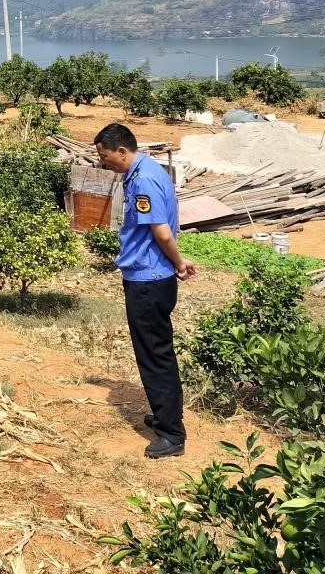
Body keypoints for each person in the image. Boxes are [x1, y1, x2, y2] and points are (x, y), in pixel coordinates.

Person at [93, 122, 197, 458]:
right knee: (156, 351)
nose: (104, 163)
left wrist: (180, 263)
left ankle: (171, 434)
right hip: (153, 277)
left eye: (106, 157)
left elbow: (162, 233)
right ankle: (164, 415)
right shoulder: (150, 168)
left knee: (155, 356)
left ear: (122, 151)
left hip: (148, 281)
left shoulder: (143, 180)